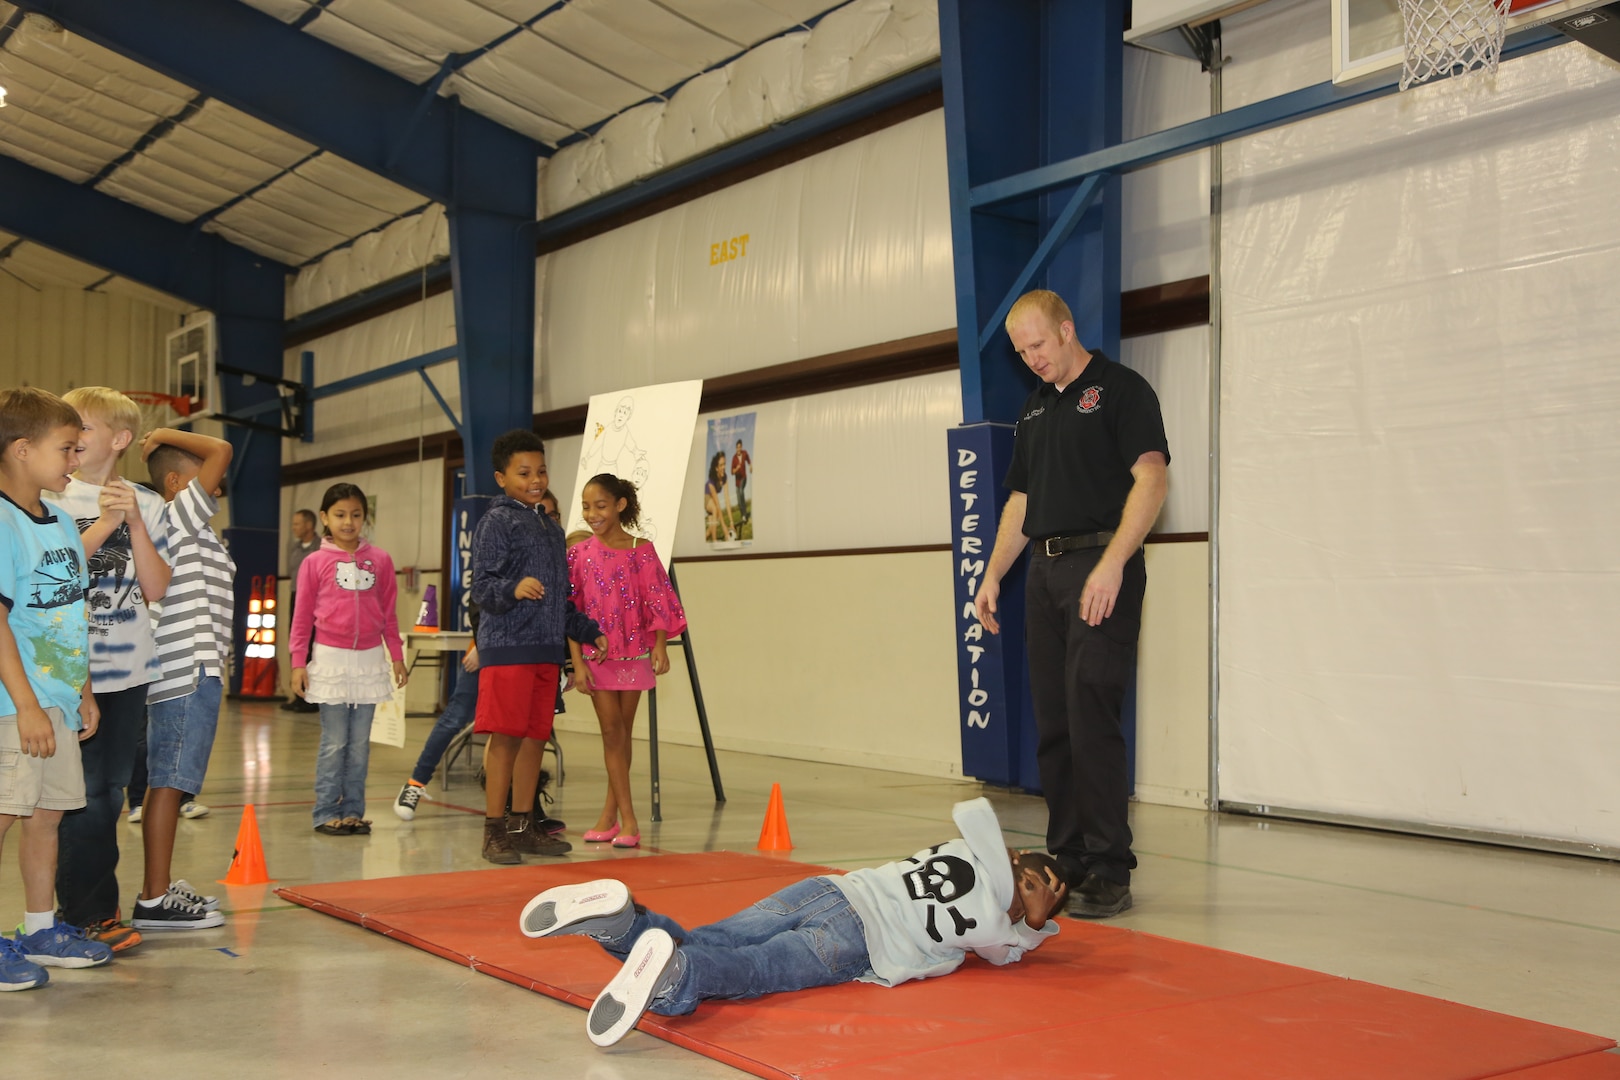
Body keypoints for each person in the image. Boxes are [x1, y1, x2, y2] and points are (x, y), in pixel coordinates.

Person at [519, 797, 1066, 1047]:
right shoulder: (994, 924)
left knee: (717, 939)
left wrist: (1019, 878)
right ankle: (673, 982)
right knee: (750, 969)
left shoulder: (958, 847)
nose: (1027, 899)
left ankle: (620, 923)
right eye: (1029, 886)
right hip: (853, 941)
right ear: (1015, 871)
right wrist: (1035, 923)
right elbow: (1003, 950)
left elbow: (995, 862)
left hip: (828, 890)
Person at [972, 290, 1169, 919]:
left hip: (1100, 564)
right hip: (1044, 573)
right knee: (1054, 721)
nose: (1031, 358)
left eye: (1038, 345)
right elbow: (1020, 505)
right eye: (1021, 351)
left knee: (1092, 714)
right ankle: (1070, 857)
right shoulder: (1034, 411)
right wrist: (993, 573)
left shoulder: (1121, 390)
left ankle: (1110, 869)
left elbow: (1152, 477)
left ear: (1067, 329)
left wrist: (1114, 560)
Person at [45, 388, 171, 952]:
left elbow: (157, 587)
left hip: (130, 669)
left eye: (86, 429)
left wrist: (136, 523)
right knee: (81, 794)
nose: (77, 440)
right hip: (70, 671)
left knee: (110, 792)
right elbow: (59, 573)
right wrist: (104, 522)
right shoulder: (50, 498)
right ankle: (83, 914)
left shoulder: (147, 502)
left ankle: (93, 909)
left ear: (120, 439)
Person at [0, 388, 115, 989]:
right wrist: (25, 705)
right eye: (66, 449)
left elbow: (71, 614)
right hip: (13, 708)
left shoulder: (63, 524)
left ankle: (41, 927)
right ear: (21, 450)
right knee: (3, 813)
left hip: (59, 702)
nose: (75, 460)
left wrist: (84, 690)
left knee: (46, 816)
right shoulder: (0, 520)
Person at [469, 430, 604, 863]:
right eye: (524, 472)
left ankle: (524, 824)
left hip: (546, 651)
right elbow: (482, 588)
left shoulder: (549, 527)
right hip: (509, 649)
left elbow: (561, 598)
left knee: (535, 739)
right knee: (507, 739)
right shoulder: (496, 521)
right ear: (500, 477)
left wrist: (585, 630)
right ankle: (494, 830)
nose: (535, 479)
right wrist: (514, 587)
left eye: (541, 471)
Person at [134, 426, 236, 930]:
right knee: (170, 783)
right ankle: (154, 898)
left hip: (197, 668)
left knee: (169, 783)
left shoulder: (193, 528)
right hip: (186, 670)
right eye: (203, 482)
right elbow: (222, 449)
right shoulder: (179, 516)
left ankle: (159, 885)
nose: (214, 488)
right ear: (175, 483)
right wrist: (160, 434)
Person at [567, 474, 685, 849]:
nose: (592, 514)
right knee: (610, 732)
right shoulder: (579, 554)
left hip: (634, 655)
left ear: (620, 505)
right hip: (596, 656)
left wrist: (661, 645)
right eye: (586, 507)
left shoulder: (642, 550)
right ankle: (629, 820)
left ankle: (608, 816)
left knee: (621, 734)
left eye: (600, 506)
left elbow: (657, 600)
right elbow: (570, 611)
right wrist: (577, 663)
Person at [289, 483, 407, 837]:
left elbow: (389, 614)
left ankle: (354, 811)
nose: (348, 522)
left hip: (370, 661)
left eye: (356, 515)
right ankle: (325, 811)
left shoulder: (381, 560)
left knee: (358, 745)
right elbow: (302, 616)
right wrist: (298, 662)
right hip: (330, 660)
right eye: (340, 515)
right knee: (335, 741)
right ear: (325, 518)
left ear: (364, 518)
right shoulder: (314, 563)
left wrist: (396, 656)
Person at [280, 508, 320, 713]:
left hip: (316, 600)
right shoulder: (294, 548)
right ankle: (298, 694)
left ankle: (312, 697)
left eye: (297, 524)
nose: (294, 528)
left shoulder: (320, 548)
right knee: (296, 642)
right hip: (296, 596)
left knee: (312, 646)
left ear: (309, 525)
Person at [703, 452, 735, 542]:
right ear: (716, 468)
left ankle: (702, 542)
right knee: (715, 509)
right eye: (721, 465)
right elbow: (717, 505)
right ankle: (715, 541)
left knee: (710, 530)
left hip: (712, 501)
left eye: (724, 464)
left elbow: (727, 500)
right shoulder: (711, 481)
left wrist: (731, 522)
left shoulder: (725, 478)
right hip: (706, 497)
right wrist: (724, 527)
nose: (723, 467)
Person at [729, 439, 751, 523]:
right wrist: (736, 469)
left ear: (741, 447)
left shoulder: (744, 453)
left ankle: (745, 515)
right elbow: (731, 472)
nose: (738, 449)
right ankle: (743, 516)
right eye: (737, 447)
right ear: (736, 448)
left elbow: (748, 459)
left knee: (741, 492)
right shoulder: (734, 458)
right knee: (738, 500)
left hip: (744, 478)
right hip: (737, 482)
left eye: (739, 447)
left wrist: (750, 465)